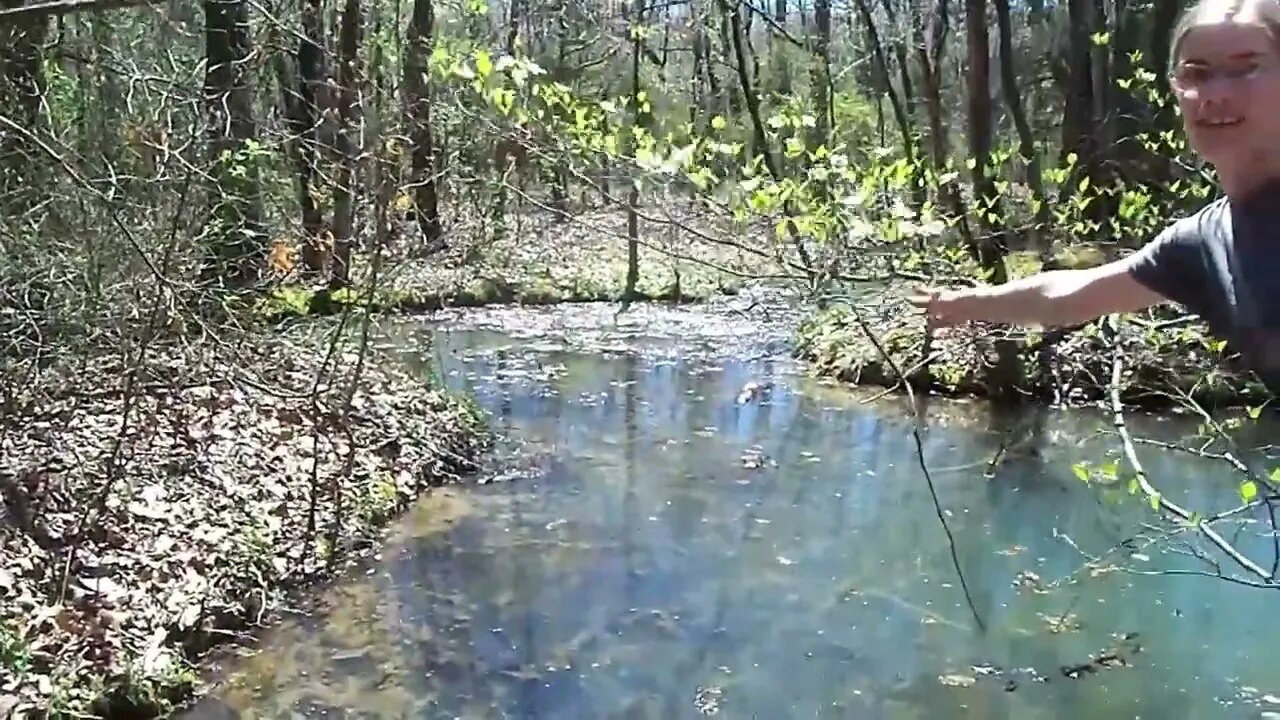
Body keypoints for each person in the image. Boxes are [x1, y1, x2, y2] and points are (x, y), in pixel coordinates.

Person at [909, 0, 1280, 389]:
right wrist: (964, 304)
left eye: (1246, 68)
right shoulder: (1204, 242)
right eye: (1196, 73)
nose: (1215, 93)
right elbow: (1066, 297)